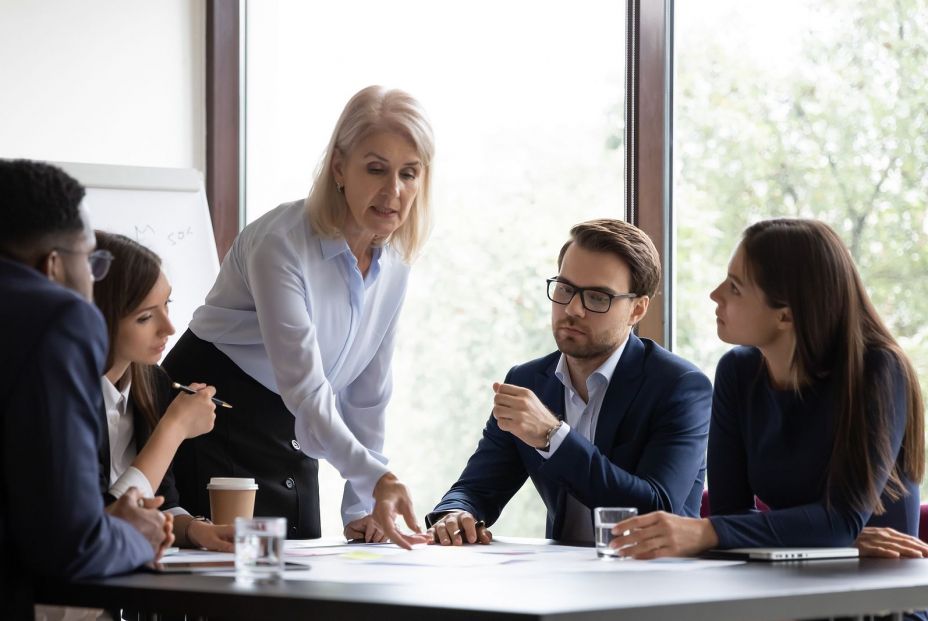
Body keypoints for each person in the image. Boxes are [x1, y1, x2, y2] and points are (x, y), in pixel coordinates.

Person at [163, 86, 434, 547]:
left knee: (300, 580)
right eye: (376, 169)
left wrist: (362, 506)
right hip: (214, 418)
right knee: (232, 590)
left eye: (409, 174)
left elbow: (367, 396)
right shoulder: (281, 243)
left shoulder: (395, 266)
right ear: (339, 169)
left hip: (295, 425)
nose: (394, 191)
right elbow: (305, 386)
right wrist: (377, 478)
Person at [609, 218, 925, 562]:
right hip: (785, 583)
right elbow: (732, 513)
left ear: (786, 316)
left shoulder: (878, 371)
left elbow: (839, 520)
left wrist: (707, 532)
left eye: (735, 287)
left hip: (881, 600)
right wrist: (827, 538)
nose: (715, 294)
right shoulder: (737, 371)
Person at [427, 219, 712, 546]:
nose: (572, 309)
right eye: (564, 289)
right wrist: (455, 514)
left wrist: (553, 436)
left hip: (652, 581)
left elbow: (657, 508)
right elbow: (477, 488)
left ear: (637, 309)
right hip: (561, 582)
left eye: (597, 297)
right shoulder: (529, 381)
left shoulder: (680, 386)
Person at [0, 160, 170, 618]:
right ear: (52, 265)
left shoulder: (145, 391)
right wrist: (137, 534)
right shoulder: (56, 317)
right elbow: (70, 544)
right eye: (92, 262)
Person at [93, 231, 235, 552]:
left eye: (166, 304)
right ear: (97, 319)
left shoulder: (153, 382)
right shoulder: (68, 397)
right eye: (145, 316)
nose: (169, 327)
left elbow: (163, 503)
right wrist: (174, 428)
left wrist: (197, 530)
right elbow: (104, 518)